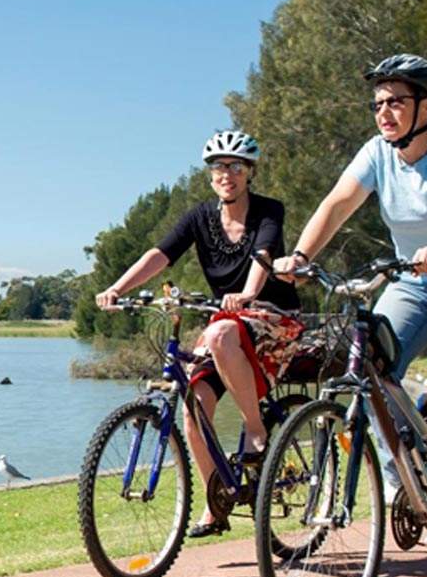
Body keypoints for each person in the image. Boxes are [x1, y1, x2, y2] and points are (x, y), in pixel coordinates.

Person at [272, 54, 427, 546]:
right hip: (411, 282)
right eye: (378, 103)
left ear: (426, 106)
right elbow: (337, 203)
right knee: (368, 365)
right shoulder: (377, 153)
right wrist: (299, 255)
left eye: (395, 102)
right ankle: (402, 470)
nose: (383, 112)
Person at [96, 130, 303, 537]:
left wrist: (248, 293)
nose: (227, 174)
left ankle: (255, 427)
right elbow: (160, 254)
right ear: (210, 175)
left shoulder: (268, 211)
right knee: (194, 404)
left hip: (272, 316)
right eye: (219, 167)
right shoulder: (199, 217)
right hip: (227, 320)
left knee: (221, 334)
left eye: (236, 167)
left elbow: (264, 253)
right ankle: (217, 500)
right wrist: (119, 287)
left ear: (250, 173)